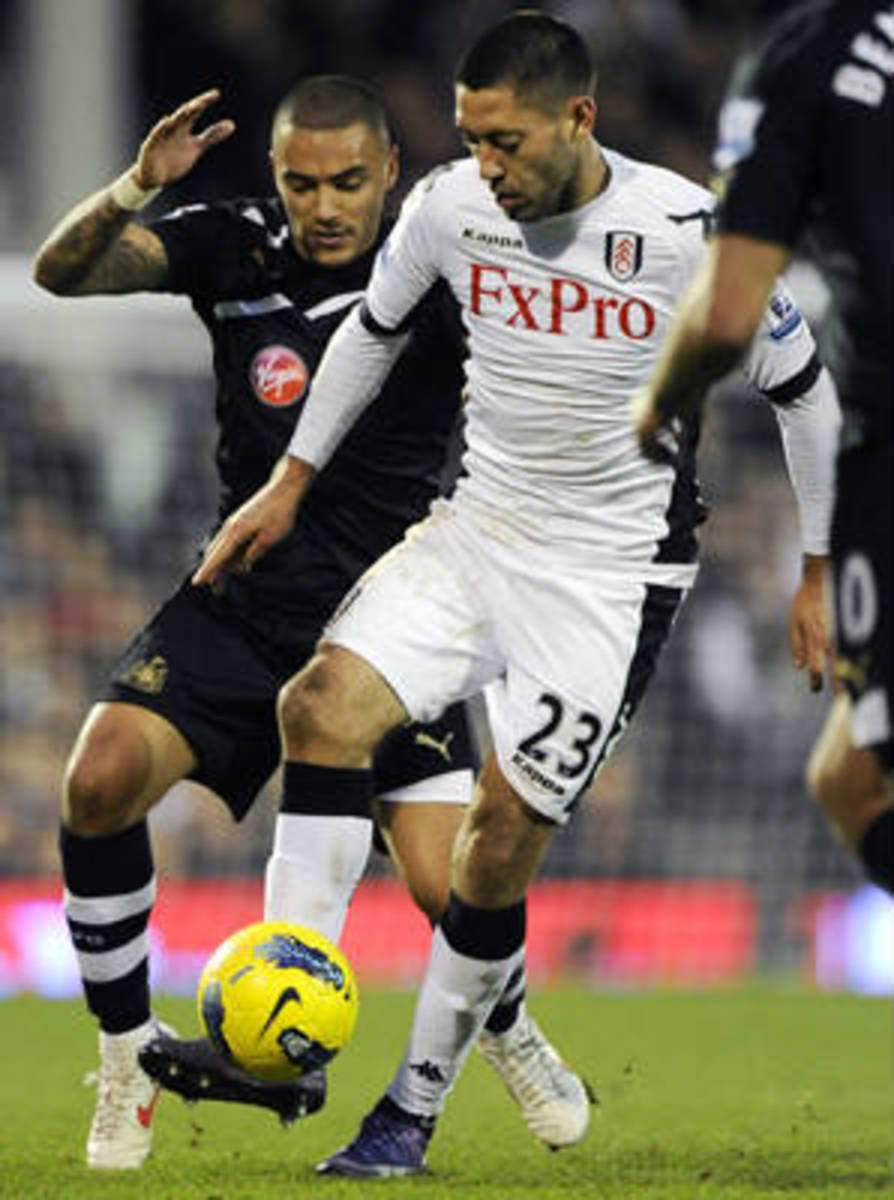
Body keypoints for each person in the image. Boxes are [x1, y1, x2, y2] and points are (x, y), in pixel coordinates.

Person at [190, 11, 842, 1178]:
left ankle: (409, 1115)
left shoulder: (688, 233)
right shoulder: (447, 207)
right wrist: (290, 482)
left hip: (608, 579)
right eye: (471, 140)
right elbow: (376, 333)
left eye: (507, 144)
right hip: (478, 533)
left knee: (493, 853)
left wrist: (815, 567)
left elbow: (808, 395)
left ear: (578, 120)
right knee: (317, 710)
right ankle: (291, 1027)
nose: (488, 167)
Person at [32, 76, 588, 1171]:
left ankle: (513, 1035)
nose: (324, 206)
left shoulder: (443, 264)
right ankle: (125, 1062)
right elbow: (64, 272)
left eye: (347, 182)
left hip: (391, 618)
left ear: (390, 171)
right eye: (300, 183)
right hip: (245, 595)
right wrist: (137, 184)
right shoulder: (232, 246)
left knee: (451, 884)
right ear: (274, 176)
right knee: (96, 784)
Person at [633, 0, 893, 895]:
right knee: (847, 774)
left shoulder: (809, 59)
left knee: (860, 777)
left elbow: (730, 311)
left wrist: (658, 400)